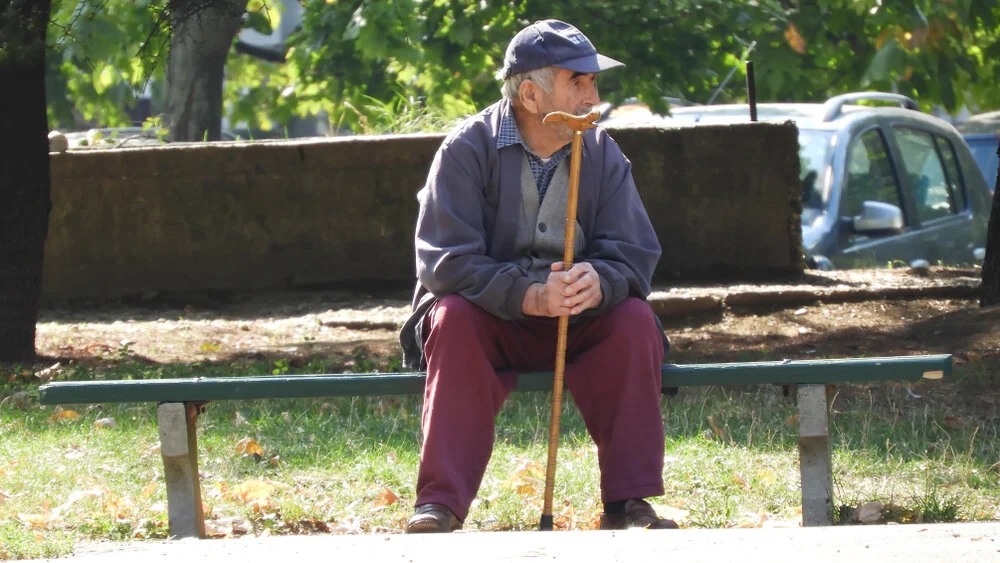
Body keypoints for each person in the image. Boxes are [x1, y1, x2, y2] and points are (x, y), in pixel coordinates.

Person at [398, 19, 676, 533]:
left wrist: (602, 280)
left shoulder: (602, 151)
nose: (593, 95)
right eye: (578, 81)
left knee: (633, 320)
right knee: (451, 317)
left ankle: (629, 502)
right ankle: (439, 504)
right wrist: (528, 294)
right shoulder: (466, 149)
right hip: (490, 321)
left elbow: (635, 251)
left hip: (580, 320)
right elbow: (446, 260)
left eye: (593, 81)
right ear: (530, 92)